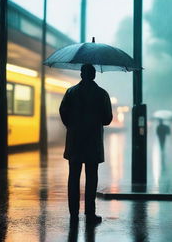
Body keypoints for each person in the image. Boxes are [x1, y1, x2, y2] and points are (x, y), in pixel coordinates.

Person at [59, 64, 113, 224]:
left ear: (81, 74)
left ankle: (73, 213)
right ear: (94, 75)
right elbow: (107, 119)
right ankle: (90, 214)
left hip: (75, 141)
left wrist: (72, 125)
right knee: (91, 178)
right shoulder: (102, 94)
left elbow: (63, 112)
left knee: (73, 177)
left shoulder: (71, 92)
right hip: (93, 142)